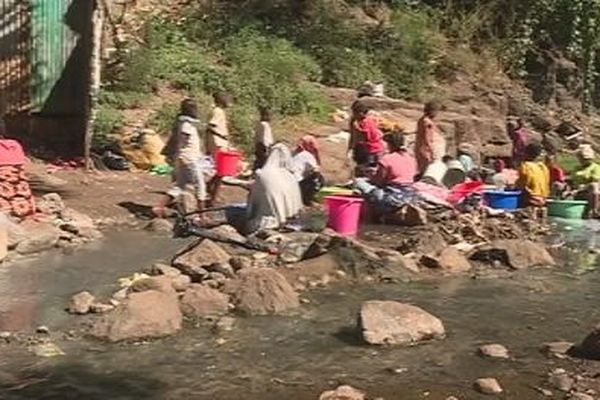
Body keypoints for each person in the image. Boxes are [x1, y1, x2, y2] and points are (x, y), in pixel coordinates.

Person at [154, 99, 208, 217]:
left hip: (185, 157)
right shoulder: (186, 125)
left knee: (179, 185)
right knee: (200, 186)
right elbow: (181, 142)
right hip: (189, 158)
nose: (196, 110)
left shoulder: (184, 123)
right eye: (194, 108)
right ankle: (202, 216)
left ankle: (159, 207)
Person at [247, 143, 303, 233]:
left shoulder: (263, 174)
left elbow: (254, 200)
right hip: (289, 220)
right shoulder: (291, 176)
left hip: (265, 222)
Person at [206, 92, 232, 204]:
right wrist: (222, 136)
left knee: (221, 170)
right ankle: (214, 197)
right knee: (222, 170)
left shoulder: (218, 111)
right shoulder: (218, 112)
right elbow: (212, 126)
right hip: (218, 142)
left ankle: (211, 189)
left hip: (218, 142)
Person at [348, 101, 384, 176]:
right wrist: (350, 148)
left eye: (355, 113)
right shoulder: (356, 121)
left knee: (370, 170)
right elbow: (353, 136)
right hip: (364, 149)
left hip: (373, 149)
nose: (353, 115)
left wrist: (357, 129)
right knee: (362, 167)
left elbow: (367, 137)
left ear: (361, 113)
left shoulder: (367, 122)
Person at [292, 135, 324, 205]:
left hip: (289, 182)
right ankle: (307, 199)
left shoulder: (293, 153)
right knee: (319, 178)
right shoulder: (307, 155)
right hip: (297, 184)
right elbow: (316, 170)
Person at [415, 101, 445, 174]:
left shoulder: (422, 120)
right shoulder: (427, 122)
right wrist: (432, 152)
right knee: (429, 171)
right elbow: (427, 139)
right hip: (427, 151)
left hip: (421, 149)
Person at [517, 142, 550, 207]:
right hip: (536, 198)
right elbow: (524, 183)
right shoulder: (527, 166)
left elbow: (522, 185)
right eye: (542, 153)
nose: (544, 155)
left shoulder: (542, 167)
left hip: (536, 198)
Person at [572, 144, 600, 218]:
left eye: (585, 158)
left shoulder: (595, 167)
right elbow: (572, 180)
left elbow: (595, 181)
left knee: (594, 185)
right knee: (558, 184)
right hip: (576, 192)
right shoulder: (576, 168)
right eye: (581, 158)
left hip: (588, 192)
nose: (582, 160)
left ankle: (594, 210)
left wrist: (582, 188)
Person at [253, 106, 274, 171]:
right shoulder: (265, 125)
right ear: (265, 116)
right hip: (264, 147)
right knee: (263, 163)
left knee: (259, 162)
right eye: (269, 115)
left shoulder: (259, 124)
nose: (271, 117)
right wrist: (268, 148)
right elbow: (265, 138)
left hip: (259, 146)